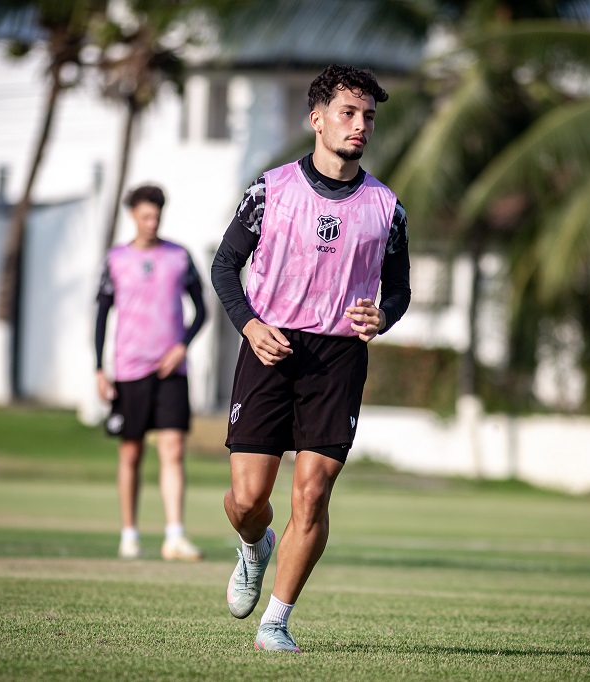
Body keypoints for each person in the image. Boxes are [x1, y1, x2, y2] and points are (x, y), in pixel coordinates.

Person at [211, 64, 411, 652]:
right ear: (316, 118)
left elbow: (398, 289)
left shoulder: (386, 207)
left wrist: (386, 315)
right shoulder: (270, 190)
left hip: (338, 359)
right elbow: (225, 267)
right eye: (349, 113)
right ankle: (254, 546)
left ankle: (276, 620)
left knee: (312, 495)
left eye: (369, 116)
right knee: (248, 500)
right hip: (269, 348)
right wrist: (248, 325)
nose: (360, 126)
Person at [95, 184, 207, 561]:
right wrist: (98, 368)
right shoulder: (115, 259)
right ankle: (129, 534)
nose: (151, 222)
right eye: (144, 216)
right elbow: (100, 315)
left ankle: (174, 535)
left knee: (173, 450)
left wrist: (182, 346)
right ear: (133, 216)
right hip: (129, 370)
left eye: (156, 216)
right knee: (131, 453)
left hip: (171, 370)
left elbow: (202, 311)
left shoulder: (179, 257)